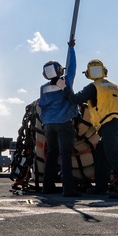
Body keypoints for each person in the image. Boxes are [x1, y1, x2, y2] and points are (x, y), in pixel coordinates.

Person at [72, 58, 118, 200]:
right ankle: (101, 187)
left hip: (109, 124)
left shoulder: (94, 87)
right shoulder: (114, 86)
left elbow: (76, 99)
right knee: (101, 153)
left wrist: (64, 89)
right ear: (104, 71)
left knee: (112, 154)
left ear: (88, 74)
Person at [37, 42, 81, 197]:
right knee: (65, 155)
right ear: (59, 70)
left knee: (51, 154)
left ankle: (46, 187)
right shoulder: (65, 82)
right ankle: (68, 189)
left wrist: (46, 120)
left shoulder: (44, 88)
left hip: (49, 125)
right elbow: (72, 67)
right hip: (64, 124)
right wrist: (71, 48)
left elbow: (41, 106)